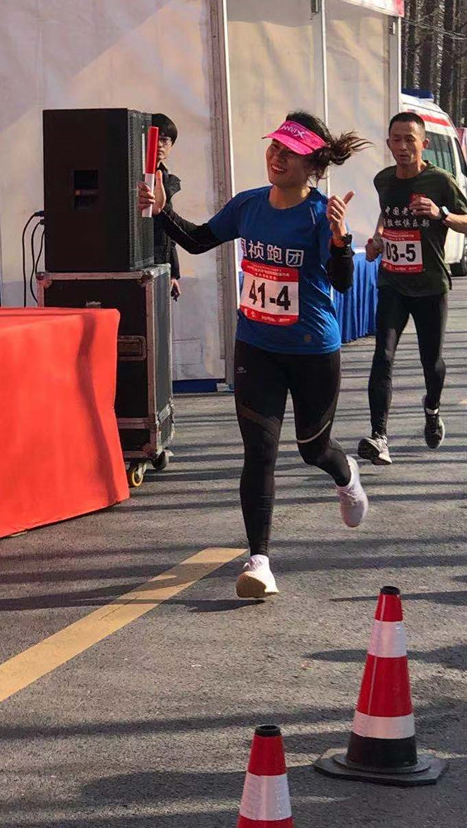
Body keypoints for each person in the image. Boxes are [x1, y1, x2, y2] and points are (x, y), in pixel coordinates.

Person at [139, 111, 370, 600]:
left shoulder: (320, 214)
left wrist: (340, 241)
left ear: (312, 165)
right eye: (274, 147)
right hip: (256, 346)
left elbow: (343, 282)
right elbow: (199, 240)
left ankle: (346, 475)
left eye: (290, 152)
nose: (277, 156)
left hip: (311, 350)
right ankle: (259, 561)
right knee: (259, 451)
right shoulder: (248, 205)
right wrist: (161, 211)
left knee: (312, 449)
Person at [358, 112, 467, 465]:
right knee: (383, 356)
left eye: (409, 139)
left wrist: (441, 214)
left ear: (424, 143)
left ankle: (432, 409)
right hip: (392, 282)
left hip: (430, 287)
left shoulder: (440, 181)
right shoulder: (383, 180)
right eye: (396, 139)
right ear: (388, 143)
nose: (402, 146)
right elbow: (386, 215)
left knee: (430, 362)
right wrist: (377, 239)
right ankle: (379, 436)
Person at [151, 114, 182, 300]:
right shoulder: (132, 174)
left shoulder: (166, 178)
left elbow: (169, 231)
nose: (159, 145)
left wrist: (172, 273)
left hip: (160, 265)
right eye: (155, 138)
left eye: (165, 140)